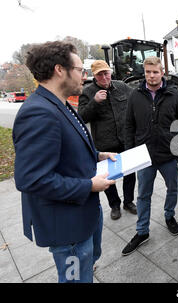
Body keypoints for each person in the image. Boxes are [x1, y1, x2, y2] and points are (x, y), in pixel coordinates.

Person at [13, 41, 116, 283]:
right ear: (60, 70)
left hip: (82, 214)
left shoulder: (58, 103)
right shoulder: (38, 113)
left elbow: (64, 147)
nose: (85, 76)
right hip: (67, 227)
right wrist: (88, 186)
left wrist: (97, 154)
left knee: (86, 269)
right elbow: (32, 179)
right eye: (81, 70)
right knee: (75, 279)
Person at [121, 56, 178, 256]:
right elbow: (128, 125)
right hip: (144, 156)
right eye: (148, 72)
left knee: (172, 189)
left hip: (168, 154)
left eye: (155, 72)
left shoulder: (174, 94)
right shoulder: (135, 95)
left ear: (162, 73)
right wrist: (129, 152)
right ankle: (142, 231)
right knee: (143, 195)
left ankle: (169, 216)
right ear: (145, 73)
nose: (151, 76)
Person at [78, 60, 137, 220]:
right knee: (108, 177)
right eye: (100, 74)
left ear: (110, 72)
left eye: (106, 73)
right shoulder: (87, 92)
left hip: (125, 140)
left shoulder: (121, 87)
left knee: (130, 173)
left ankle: (129, 201)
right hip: (105, 144)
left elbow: (136, 100)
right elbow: (81, 118)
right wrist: (94, 102)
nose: (104, 77)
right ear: (94, 76)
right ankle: (115, 205)